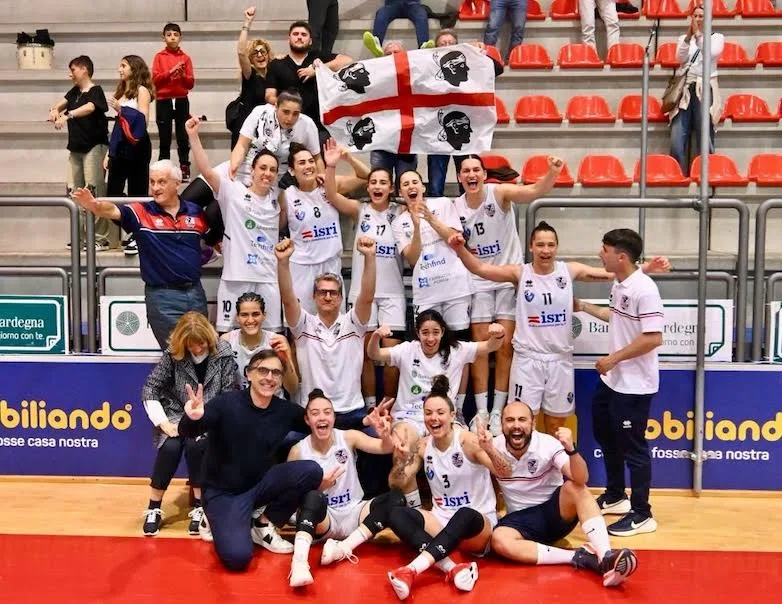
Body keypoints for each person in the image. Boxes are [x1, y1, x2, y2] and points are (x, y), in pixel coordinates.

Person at [450, 221, 670, 436]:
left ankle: (554, 462)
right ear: (531, 247)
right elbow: (479, 268)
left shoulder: (569, 270)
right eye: (540, 244)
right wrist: (460, 248)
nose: (545, 250)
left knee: (556, 426)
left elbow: (612, 272)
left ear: (557, 247)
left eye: (551, 245)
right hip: (528, 360)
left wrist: (646, 268)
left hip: (559, 360)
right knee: (523, 424)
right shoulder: (520, 273)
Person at [178, 349, 324, 571]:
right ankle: (213, 516)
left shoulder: (284, 410)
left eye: (276, 373)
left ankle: (263, 524)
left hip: (260, 485)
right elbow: (189, 431)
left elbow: (317, 423)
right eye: (263, 370)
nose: (269, 377)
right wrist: (192, 416)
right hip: (224, 493)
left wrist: (363, 422)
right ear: (249, 373)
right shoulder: (225, 403)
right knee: (238, 558)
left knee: (311, 471)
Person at [453, 155, 562, 436]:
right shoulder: (455, 207)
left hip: (507, 280)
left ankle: (498, 411)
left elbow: (534, 191)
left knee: (504, 348)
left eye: (476, 170)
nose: (471, 174)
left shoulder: (499, 193)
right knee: (480, 348)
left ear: (483, 174)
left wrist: (552, 172)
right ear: (459, 177)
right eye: (466, 171)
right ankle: (481, 412)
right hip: (477, 281)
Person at [489, 401, 639, 587]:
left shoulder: (547, 444)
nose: (516, 425)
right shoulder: (492, 447)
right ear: (502, 424)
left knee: (576, 487)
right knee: (499, 540)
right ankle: (580, 557)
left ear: (533, 424)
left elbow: (581, 478)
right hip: (519, 522)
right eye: (510, 420)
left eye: (522, 419)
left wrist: (571, 449)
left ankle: (606, 555)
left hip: (553, 514)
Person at [575, 229, 664, 537]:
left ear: (621, 256)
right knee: (605, 434)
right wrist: (583, 306)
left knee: (633, 449)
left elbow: (653, 338)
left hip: (635, 386)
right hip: (613, 381)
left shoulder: (645, 289)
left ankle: (642, 513)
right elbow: (614, 316)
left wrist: (613, 359)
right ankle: (616, 495)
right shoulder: (620, 283)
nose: (600, 255)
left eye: (605, 250)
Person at [384, 375, 506, 600]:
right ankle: (453, 567)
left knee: (464, 514)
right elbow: (396, 483)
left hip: (476, 526)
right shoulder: (422, 446)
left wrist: (490, 449)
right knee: (396, 514)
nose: (434, 418)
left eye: (440, 412)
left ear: (452, 415)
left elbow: (505, 472)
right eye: (428, 413)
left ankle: (411, 570)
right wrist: (400, 460)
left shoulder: (468, 442)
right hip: (441, 521)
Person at [368, 309, 505, 506]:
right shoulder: (407, 350)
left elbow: (490, 346)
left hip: (444, 417)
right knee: (401, 454)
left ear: (442, 332)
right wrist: (375, 337)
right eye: (425, 332)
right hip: (409, 417)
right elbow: (374, 354)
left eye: (435, 332)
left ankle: (474, 503)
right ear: (417, 333)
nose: (430, 338)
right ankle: (415, 512)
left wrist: (498, 334)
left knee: (473, 445)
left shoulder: (457, 350)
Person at [71, 160, 209, 348]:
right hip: (163, 298)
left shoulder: (196, 212)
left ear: (177, 184)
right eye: (152, 182)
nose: (155, 188)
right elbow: (112, 210)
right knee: (175, 354)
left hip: (195, 293)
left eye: (161, 182)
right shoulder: (141, 212)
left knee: (201, 351)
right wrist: (94, 205)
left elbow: (209, 239)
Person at [286, 390, 403, 587]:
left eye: (327, 412)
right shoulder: (298, 450)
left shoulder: (348, 437)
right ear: (307, 420)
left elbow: (385, 448)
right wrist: (320, 487)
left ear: (333, 417)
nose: (322, 417)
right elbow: (290, 493)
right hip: (324, 518)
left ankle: (342, 549)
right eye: (315, 413)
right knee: (313, 496)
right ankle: (299, 564)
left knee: (396, 499)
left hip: (354, 512)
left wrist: (385, 436)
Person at [321, 143, 405, 407]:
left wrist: (351, 158)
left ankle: (389, 407)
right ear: (368, 188)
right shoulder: (361, 209)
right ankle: (369, 406)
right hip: (362, 294)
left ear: (391, 188)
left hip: (393, 294)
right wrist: (337, 162)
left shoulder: (401, 212)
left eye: (383, 183)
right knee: (365, 354)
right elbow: (331, 194)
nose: (377, 186)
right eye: (373, 183)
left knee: (391, 356)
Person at [186, 115, 287, 334]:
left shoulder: (277, 198)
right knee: (226, 338)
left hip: (268, 280)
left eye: (272, 170)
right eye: (263, 168)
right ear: (252, 170)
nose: (267, 173)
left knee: (272, 340)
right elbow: (207, 172)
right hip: (235, 278)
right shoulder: (233, 192)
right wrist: (193, 137)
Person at [140, 312, 236, 537]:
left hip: (211, 415)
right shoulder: (173, 353)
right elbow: (150, 387)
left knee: (196, 445)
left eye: (201, 343)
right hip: (177, 413)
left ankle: (200, 506)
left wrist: (208, 418)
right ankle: (154, 507)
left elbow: (229, 394)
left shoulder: (223, 353)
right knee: (170, 447)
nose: (197, 349)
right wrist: (163, 422)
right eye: (192, 345)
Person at [276, 234, 376, 429]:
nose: (328, 297)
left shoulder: (353, 323)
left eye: (333, 293)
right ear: (314, 296)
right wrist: (283, 262)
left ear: (341, 298)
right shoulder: (303, 324)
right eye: (322, 292)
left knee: (379, 441)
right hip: (312, 412)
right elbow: (287, 298)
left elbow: (367, 297)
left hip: (351, 411)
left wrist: (370, 257)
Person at [283, 143, 369, 315]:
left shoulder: (329, 185)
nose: (308, 166)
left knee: (335, 322)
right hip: (302, 268)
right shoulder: (286, 195)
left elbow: (367, 178)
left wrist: (349, 158)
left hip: (330, 265)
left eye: (311, 161)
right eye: (302, 163)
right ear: (292, 170)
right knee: (301, 324)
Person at [426, 30, 504, 198]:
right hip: (437, 129)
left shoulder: (467, 63)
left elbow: (497, 69)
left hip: (463, 127)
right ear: (436, 47)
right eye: (443, 43)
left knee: (468, 179)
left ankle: (469, 210)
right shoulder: (428, 67)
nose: (447, 46)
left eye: (451, 43)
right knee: (435, 185)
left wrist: (478, 53)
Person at [392, 170, 473, 333]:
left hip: (455, 287)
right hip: (426, 292)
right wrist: (416, 228)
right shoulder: (398, 223)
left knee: (458, 341)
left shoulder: (443, 204)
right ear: (400, 192)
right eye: (406, 184)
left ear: (423, 187)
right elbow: (412, 259)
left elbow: (454, 239)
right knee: (428, 341)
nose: (411, 187)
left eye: (415, 182)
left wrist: (430, 218)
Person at [48, 55, 112, 250]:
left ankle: (100, 238)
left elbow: (90, 107)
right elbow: (60, 103)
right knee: (73, 192)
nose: (71, 74)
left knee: (93, 190)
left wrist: (67, 115)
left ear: (84, 69)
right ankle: (80, 237)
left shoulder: (96, 91)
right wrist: (54, 110)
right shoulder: (74, 91)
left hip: (93, 146)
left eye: (73, 70)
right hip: (75, 148)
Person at [265, 21, 353, 143]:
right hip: (286, 127)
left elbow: (347, 60)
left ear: (310, 41)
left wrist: (317, 69)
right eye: (295, 34)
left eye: (303, 34)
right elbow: (269, 95)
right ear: (289, 39)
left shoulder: (318, 58)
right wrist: (285, 105)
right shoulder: (276, 64)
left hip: (319, 128)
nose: (299, 37)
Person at [106, 54, 154, 256]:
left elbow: (144, 120)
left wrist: (122, 109)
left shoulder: (142, 90)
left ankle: (138, 233)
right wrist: (109, 153)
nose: (120, 69)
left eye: (124, 65)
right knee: (111, 195)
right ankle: (135, 226)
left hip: (138, 146)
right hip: (120, 146)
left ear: (134, 68)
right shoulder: (121, 92)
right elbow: (118, 126)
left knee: (138, 191)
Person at [668, 3, 724, 174]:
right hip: (684, 89)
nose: (698, 19)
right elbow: (680, 58)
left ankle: (704, 176)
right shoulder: (683, 38)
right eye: (696, 16)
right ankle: (678, 176)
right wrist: (688, 37)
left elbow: (710, 54)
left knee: (705, 136)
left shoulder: (717, 37)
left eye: (702, 16)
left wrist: (699, 35)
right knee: (677, 138)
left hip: (705, 88)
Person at [220, 292, 299, 395]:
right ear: (237, 317)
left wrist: (286, 361)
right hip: (238, 402)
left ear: (264, 315)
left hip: (272, 401)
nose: (250, 320)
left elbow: (293, 389)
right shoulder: (227, 341)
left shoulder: (277, 341)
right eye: (244, 315)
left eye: (255, 314)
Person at [367, 41, 418, 186]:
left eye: (396, 53)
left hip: (406, 141)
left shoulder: (414, 75)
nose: (392, 56)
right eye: (388, 54)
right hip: (381, 142)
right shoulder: (373, 77)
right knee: (380, 183)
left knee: (406, 184)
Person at [152, 22, 195, 181]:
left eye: (176, 35)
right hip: (163, 100)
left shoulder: (186, 58)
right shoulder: (159, 57)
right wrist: (171, 72)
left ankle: (184, 167)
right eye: (169, 35)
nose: (172, 38)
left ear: (180, 37)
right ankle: (163, 169)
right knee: (165, 137)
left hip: (182, 99)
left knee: (182, 136)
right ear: (163, 37)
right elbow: (155, 80)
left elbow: (190, 83)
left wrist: (182, 74)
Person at [229, 6, 273, 150]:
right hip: (247, 127)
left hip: (267, 127)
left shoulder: (274, 75)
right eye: (255, 53)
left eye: (263, 52)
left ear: (268, 55)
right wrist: (247, 23)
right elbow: (241, 52)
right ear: (251, 58)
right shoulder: (250, 74)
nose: (260, 55)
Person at [364, 0, 433, 53]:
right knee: (381, 13)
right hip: (392, 4)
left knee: (421, 14)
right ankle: (377, 43)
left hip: (412, 4)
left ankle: (423, 45)